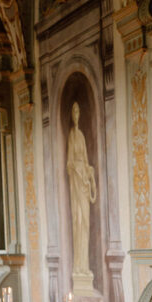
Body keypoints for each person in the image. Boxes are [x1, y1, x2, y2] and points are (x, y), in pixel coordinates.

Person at [66, 101, 96, 282]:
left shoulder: (82, 136)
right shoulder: (71, 135)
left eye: (78, 111)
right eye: (73, 111)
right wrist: (79, 170)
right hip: (76, 184)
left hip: (84, 183)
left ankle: (85, 266)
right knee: (77, 222)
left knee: (85, 223)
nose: (76, 114)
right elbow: (69, 164)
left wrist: (88, 170)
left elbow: (85, 161)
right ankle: (78, 265)